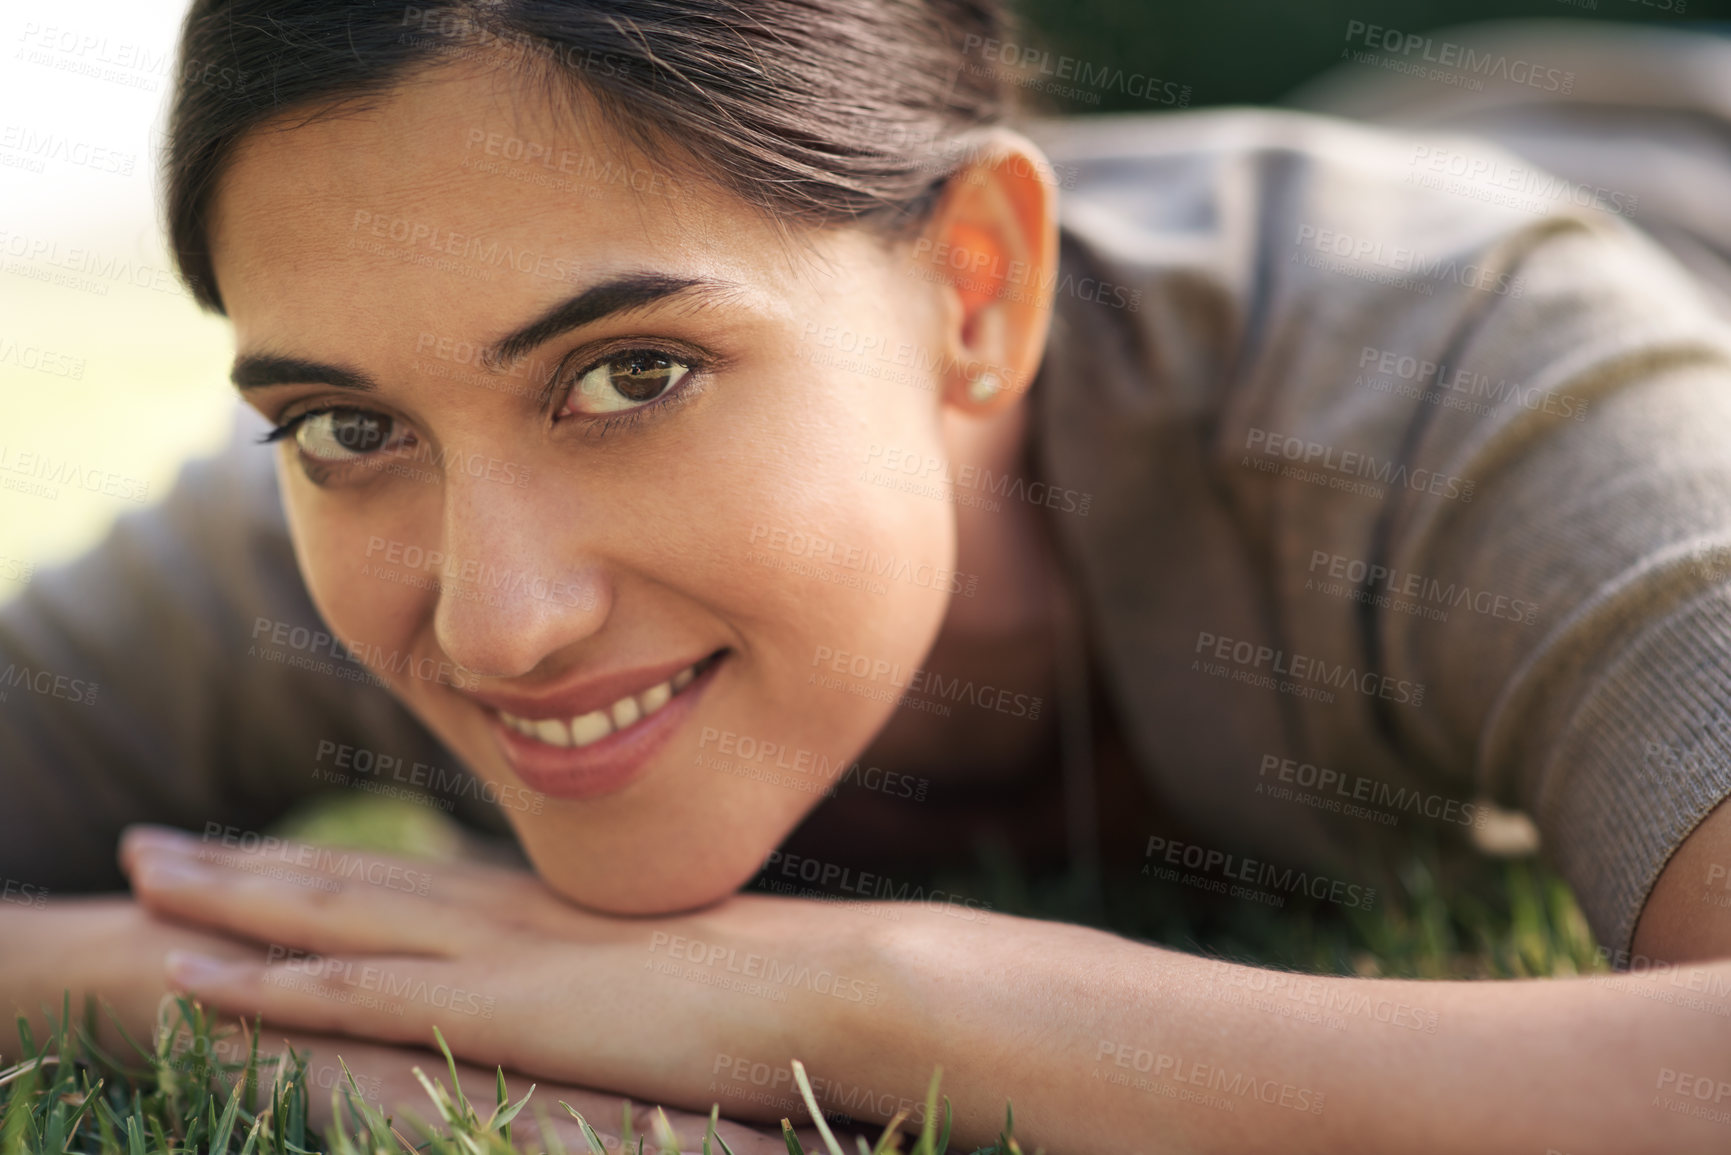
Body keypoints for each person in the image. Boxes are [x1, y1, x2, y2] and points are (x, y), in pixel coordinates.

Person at [6, 2, 1731, 1150]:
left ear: (975, 296)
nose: (494, 618)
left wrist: (877, 1006)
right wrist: (230, 1000)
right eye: (336, 421)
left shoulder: (1456, 383)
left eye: (631, 376)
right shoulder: (309, 542)